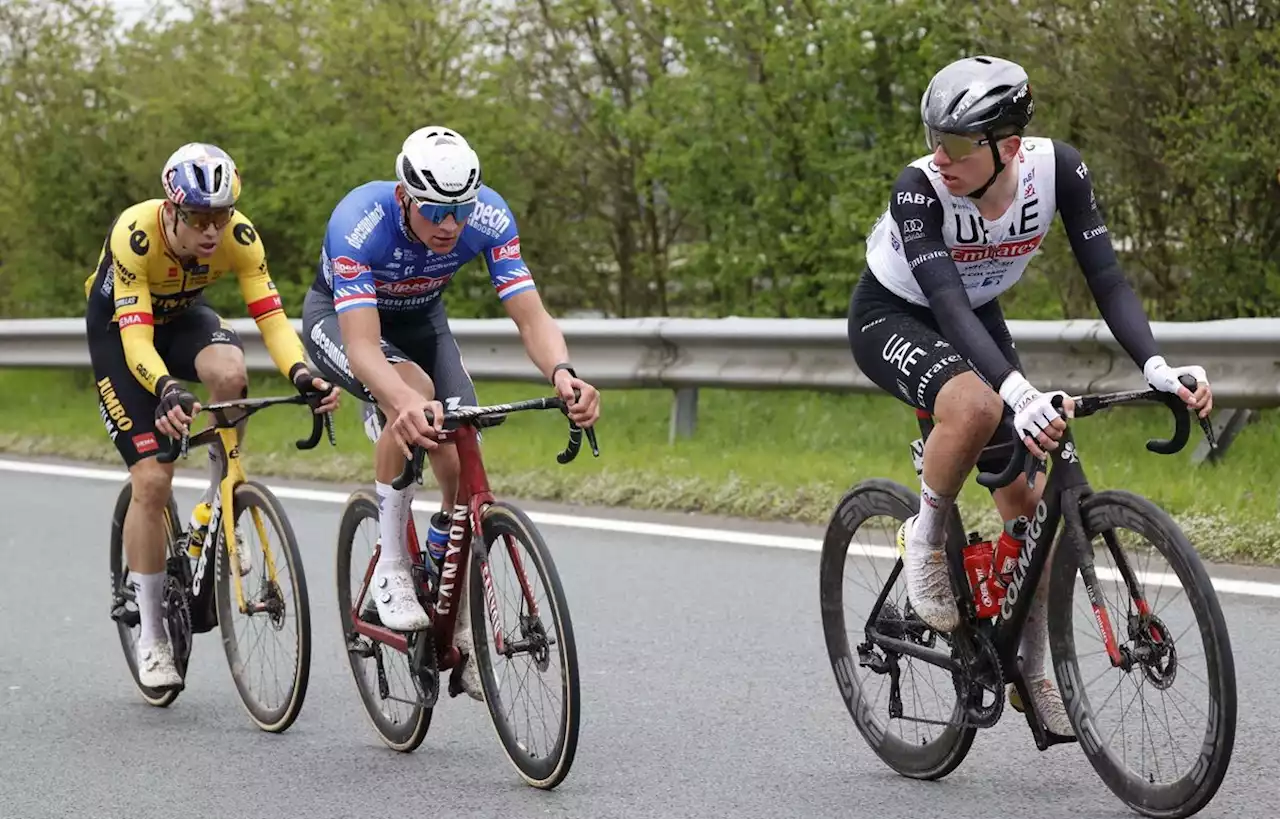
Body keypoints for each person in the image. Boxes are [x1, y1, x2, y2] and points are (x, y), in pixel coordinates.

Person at [846, 56, 1212, 735]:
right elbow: (948, 308)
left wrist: (1157, 365)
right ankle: (923, 538)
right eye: (932, 137)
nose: (938, 156)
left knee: (1030, 510)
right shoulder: (919, 189)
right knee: (978, 405)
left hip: (975, 314)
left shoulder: (1058, 171)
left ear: (1007, 146)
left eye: (955, 144)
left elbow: (1107, 277)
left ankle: (1031, 666)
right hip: (896, 312)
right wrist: (1018, 391)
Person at [302, 125, 601, 700]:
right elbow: (364, 348)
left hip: (422, 323)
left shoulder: (488, 217)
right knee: (411, 396)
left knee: (463, 460)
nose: (449, 226)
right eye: (435, 211)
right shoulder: (358, 221)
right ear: (403, 197)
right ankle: (391, 564)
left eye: (459, 211)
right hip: (345, 325)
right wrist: (401, 401)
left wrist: (564, 373)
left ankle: (454, 613)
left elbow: (532, 317)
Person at [85, 143, 339, 691]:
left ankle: (218, 499)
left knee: (230, 373)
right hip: (123, 337)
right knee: (152, 479)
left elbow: (270, 318)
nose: (211, 232)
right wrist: (168, 389)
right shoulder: (135, 234)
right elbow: (135, 340)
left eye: (220, 218)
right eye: (199, 219)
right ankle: (152, 634)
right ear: (171, 211)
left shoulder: (241, 238)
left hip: (183, 317)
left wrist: (301, 372)